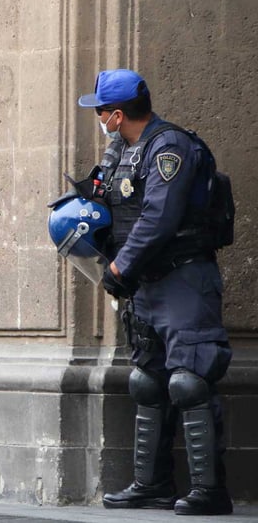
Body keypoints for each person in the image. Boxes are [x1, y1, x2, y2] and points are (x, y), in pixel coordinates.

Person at [77, 70, 233, 516]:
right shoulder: (121, 150)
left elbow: (159, 218)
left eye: (102, 110)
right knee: (148, 381)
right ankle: (152, 484)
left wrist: (120, 266)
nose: (99, 116)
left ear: (119, 113)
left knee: (190, 381)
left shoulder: (170, 148)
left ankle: (210, 490)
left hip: (184, 279)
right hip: (146, 284)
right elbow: (108, 203)